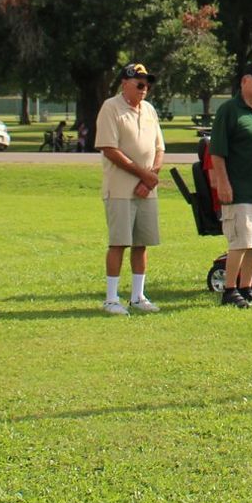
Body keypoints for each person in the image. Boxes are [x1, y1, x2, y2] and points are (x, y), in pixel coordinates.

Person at [208, 61, 252, 308]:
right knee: (240, 243)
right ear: (244, 81)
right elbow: (217, 152)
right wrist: (223, 183)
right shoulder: (229, 110)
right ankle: (230, 290)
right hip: (240, 191)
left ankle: (247, 288)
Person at [96, 63, 165, 315]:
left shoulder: (148, 109)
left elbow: (159, 148)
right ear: (125, 82)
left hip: (147, 189)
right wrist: (143, 175)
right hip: (120, 189)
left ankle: (138, 296)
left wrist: (151, 178)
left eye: (147, 84)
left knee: (142, 243)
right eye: (139, 83)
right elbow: (110, 149)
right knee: (119, 243)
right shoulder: (111, 107)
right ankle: (111, 298)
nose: (144, 88)